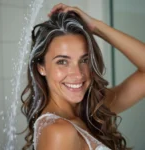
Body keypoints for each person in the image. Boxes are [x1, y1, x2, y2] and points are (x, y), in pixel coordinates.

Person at [21, 3, 145, 150]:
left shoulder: (92, 108)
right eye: (62, 61)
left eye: (84, 60)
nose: (78, 74)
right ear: (41, 67)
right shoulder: (59, 132)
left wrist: (96, 27)